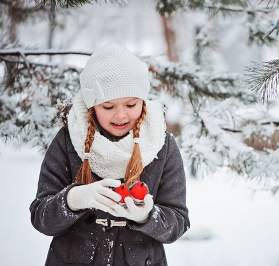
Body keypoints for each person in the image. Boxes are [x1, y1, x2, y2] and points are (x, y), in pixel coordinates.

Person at [30, 42, 190, 266]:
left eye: (131, 104)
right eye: (108, 107)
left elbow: (178, 222)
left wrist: (146, 216)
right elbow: (41, 217)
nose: (121, 115)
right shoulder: (68, 139)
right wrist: (74, 199)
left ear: (142, 101)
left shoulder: (162, 144)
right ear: (91, 106)